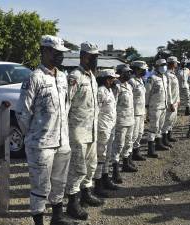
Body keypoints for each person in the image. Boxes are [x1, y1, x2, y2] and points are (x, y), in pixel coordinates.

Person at [16, 35, 73, 225]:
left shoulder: (63, 77)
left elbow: (66, 106)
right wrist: (34, 135)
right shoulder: (34, 78)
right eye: (56, 53)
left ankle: (57, 218)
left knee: (59, 183)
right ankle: (39, 222)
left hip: (62, 141)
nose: (60, 57)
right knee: (40, 187)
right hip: (41, 144)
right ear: (45, 51)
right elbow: (23, 112)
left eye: (61, 54)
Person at [65, 42, 104, 221]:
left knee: (91, 164)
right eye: (92, 57)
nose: (95, 60)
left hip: (91, 129)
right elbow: (66, 105)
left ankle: (86, 193)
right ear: (83, 56)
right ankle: (72, 203)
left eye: (96, 57)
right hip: (77, 130)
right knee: (77, 168)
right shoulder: (75, 76)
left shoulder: (91, 77)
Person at [94, 69, 120, 198]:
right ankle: (97, 184)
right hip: (102, 128)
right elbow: (96, 112)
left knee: (108, 155)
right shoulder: (100, 91)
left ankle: (105, 178)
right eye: (112, 78)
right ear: (107, 79)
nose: (114, 81)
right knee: (100, 156)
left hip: (111, 127)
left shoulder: (110, 90)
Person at [111, 64, 137, 184]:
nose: (129, 74)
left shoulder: (129, 85)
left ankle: (126, 163)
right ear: (120, 73)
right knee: (118, 146)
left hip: (130, 119)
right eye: (126, 72)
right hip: (120, 121)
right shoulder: (116, 86)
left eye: (129, 72)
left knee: (128, 143)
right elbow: (112, 105)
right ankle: (115, 171)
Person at [145, 59, 170, 157]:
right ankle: (150, 149)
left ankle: (159, 144)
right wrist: (146, 106)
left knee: (160, 126)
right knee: (153, 127)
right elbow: (147, 93)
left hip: (163, 106)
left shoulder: (164, 77)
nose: (164, 66)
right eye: (162, 65)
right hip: (154, 106)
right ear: (157, 66)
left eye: (165, 64)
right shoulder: (152, 78)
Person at [129, 60, 148, 161]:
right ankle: (128, 156)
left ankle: (136, 152)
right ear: (136, 69)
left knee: (140, 134)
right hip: (134, 113)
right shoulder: (131, 81)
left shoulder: (140, 80)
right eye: (142, 70)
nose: (144, 72)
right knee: (133, 135)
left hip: (141, 111)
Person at [162, 56, 180, 146]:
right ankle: (164, 139)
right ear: (173, 63)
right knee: (167, 120)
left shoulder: (173, 74)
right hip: (170, 102)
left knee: (172, 120)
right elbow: (168, 90)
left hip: (175, 101)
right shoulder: (167, 75)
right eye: (176, 62)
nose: (177, 64)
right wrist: (171, 103)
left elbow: (176, 89)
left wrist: (178, 99)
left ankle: (169, 136)